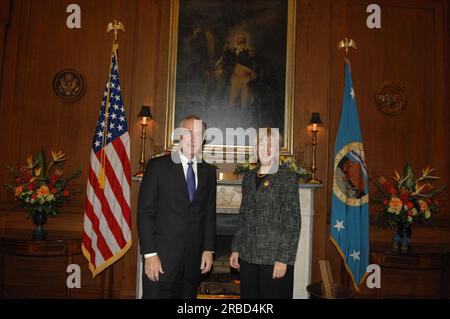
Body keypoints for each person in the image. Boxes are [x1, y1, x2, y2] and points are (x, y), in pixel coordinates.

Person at [137, 115, 217, 299]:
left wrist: (208, 250)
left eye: (198, 134)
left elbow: (209, 215)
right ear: (179, 136)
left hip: (193, 262)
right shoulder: (158, 166)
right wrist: (149, 254)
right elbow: (145, 213)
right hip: (160, 259)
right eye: (188, 133)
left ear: (203, 139)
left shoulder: (209, 172)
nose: (193, 139)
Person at [229, 129, 301, 299]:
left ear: (279, 149)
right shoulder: (248, 177)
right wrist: (235, 248)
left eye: (272, 145)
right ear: (255, 148)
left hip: (274, 259)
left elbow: (292, 221)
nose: (267, 149)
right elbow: (244, 215)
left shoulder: (287, 177)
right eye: (262, 144)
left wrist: (283, 259)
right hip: (247, 256)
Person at [214, 31, 259, 108]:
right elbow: (225, 61)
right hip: (235, 78)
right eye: (236, 37)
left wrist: (253, 75)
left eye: (239, 37)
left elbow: (256, 65)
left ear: (244, 39)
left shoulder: (250, 52)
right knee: (232, 102)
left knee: (245, 103)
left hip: (246, 79)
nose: (237, 38)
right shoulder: (231, 51)